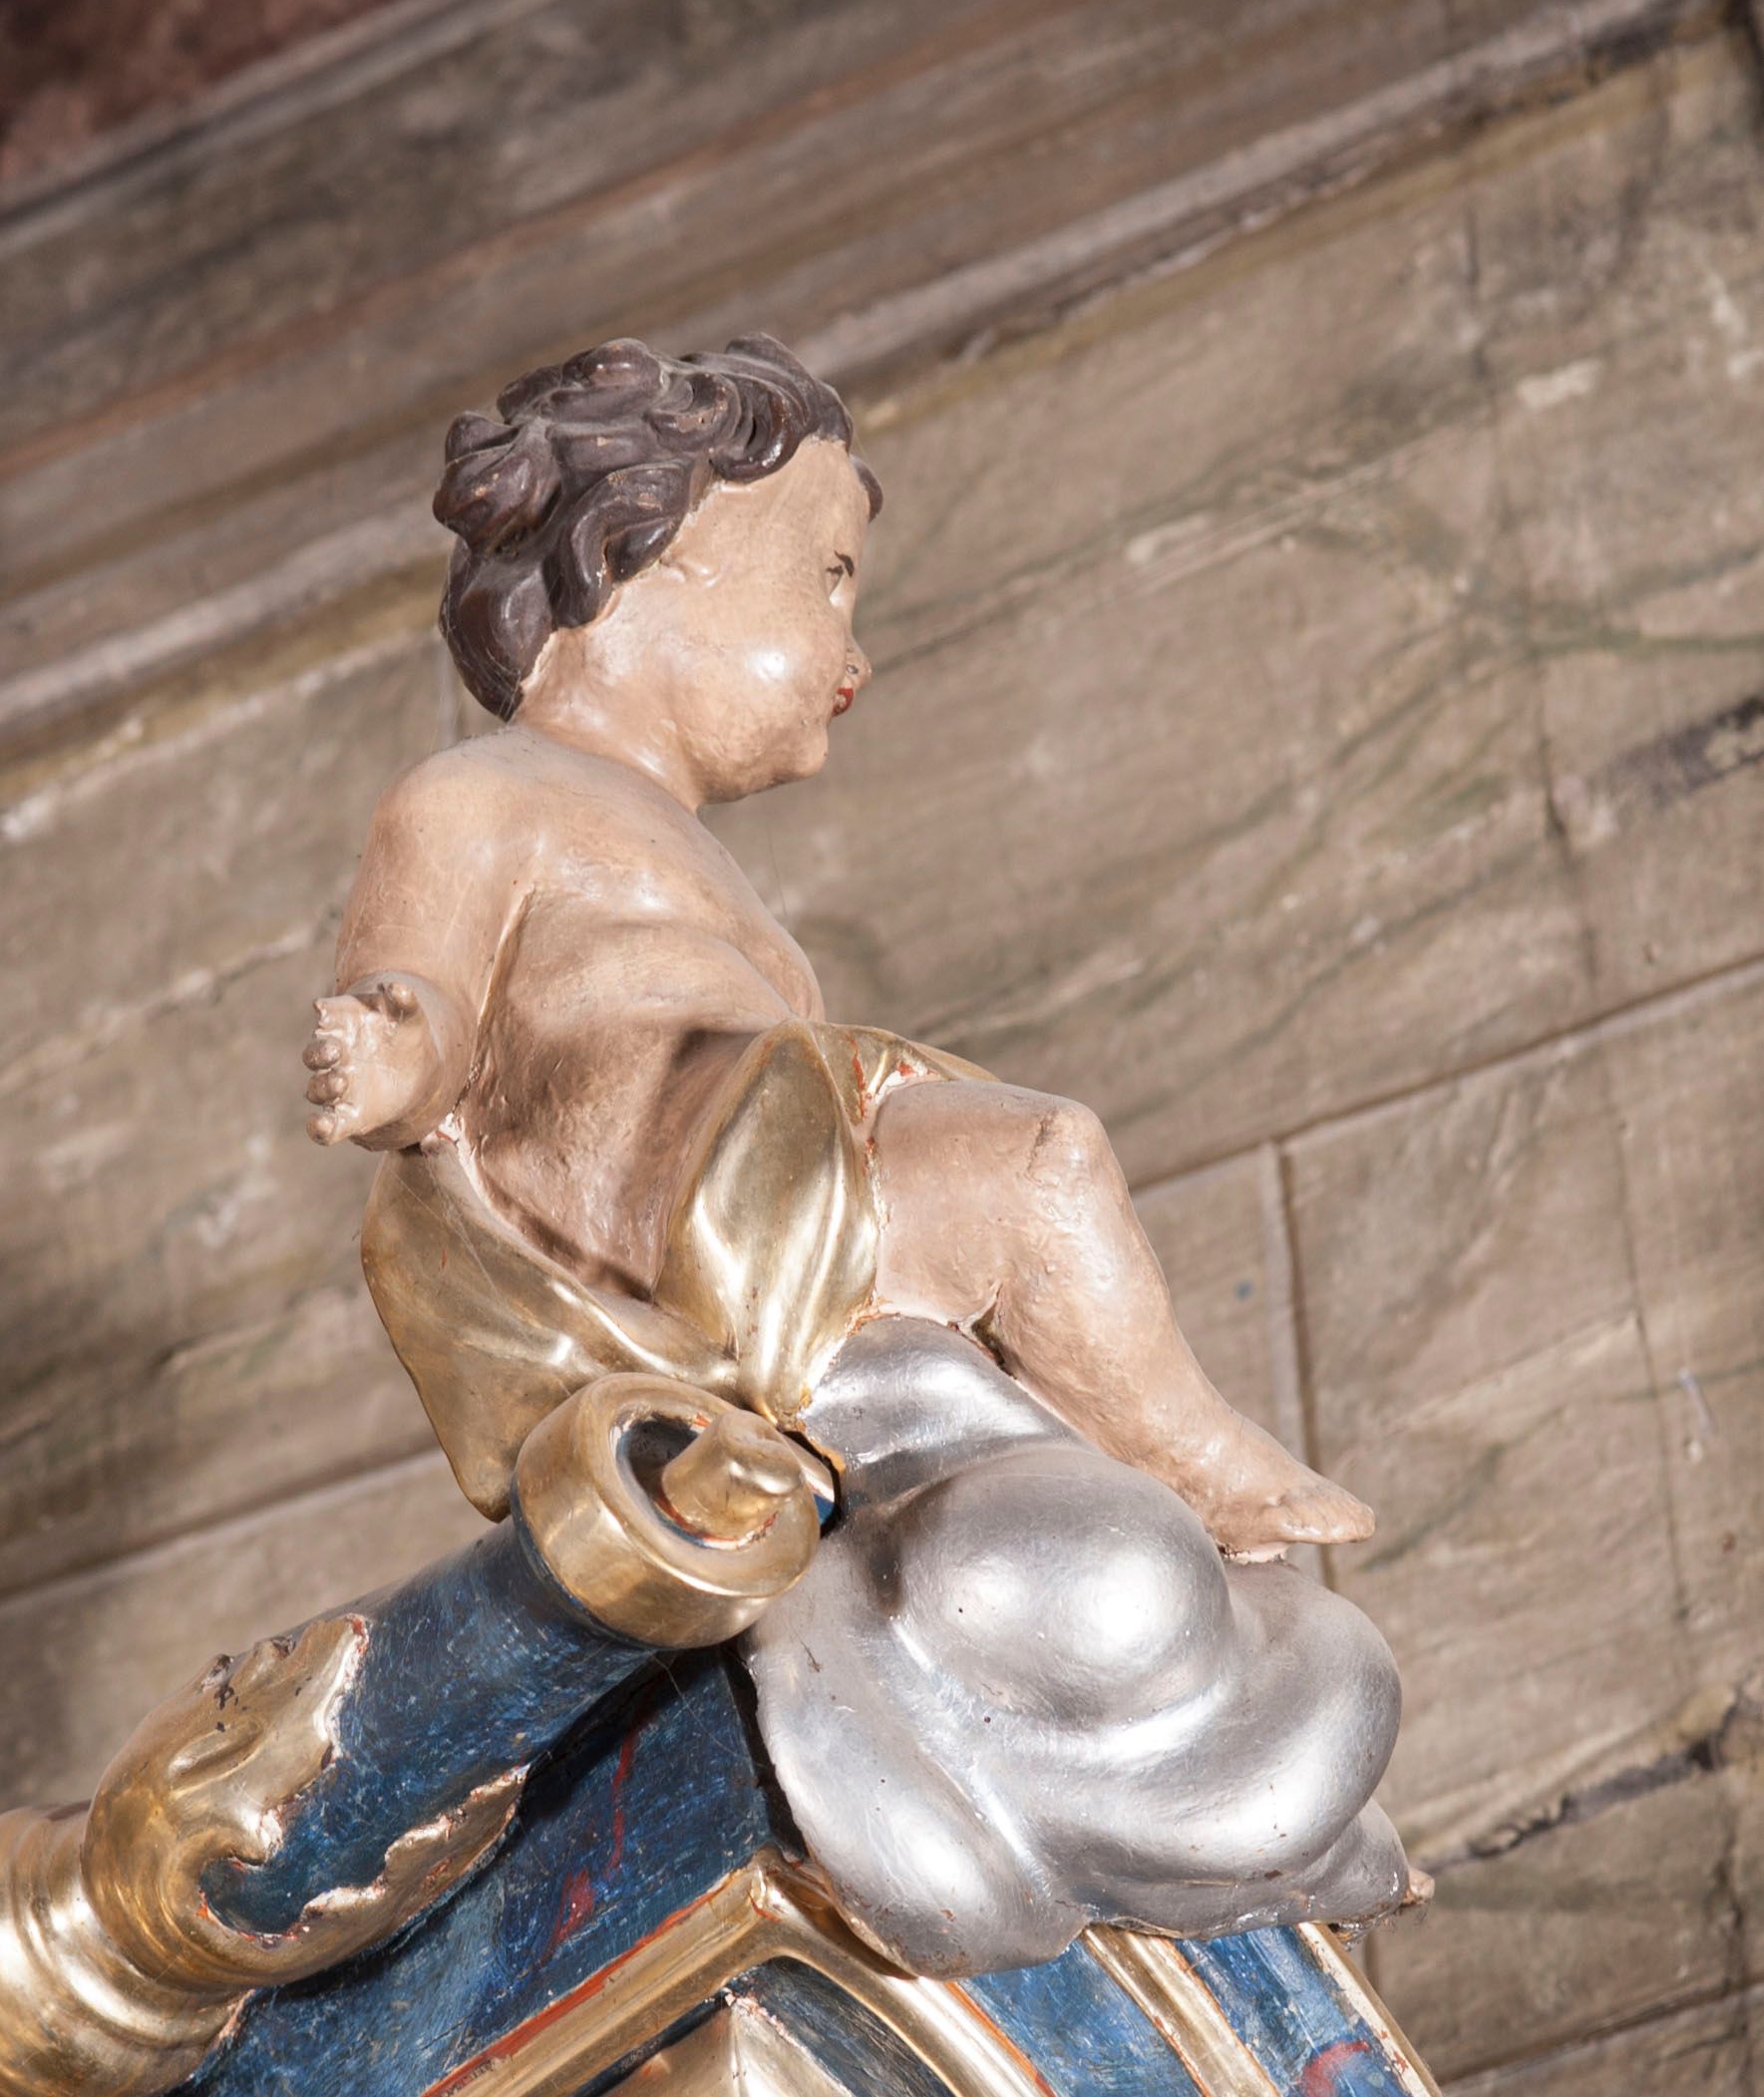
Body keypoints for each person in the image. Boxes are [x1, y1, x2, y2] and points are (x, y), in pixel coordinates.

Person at [303, 334, 1371, 1560]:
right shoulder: (480, 791)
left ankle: (1123, 1470)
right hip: (673, 1220)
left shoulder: (699, 865)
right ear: (642, 560)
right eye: (826, 578)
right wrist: (391, 1047)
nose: (853, 654)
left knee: (1031, 1194)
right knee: (1042, 1161)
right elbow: (420, 989)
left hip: (772, 1205)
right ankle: (1195, 1459)